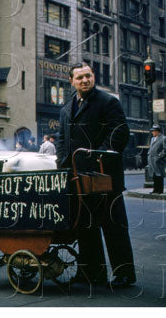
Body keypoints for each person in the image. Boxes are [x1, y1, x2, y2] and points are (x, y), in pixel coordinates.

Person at [57, 62, 136, 288]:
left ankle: (124, 274)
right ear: (71, 81)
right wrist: (63, 162)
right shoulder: (66, 108)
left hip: (105, 178)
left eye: (88, 76)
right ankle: (92, 273)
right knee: (85, 227)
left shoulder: (108, 102)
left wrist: (97, 157)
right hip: (77, 178)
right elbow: (62, 138)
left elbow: (119, 133)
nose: (84, 80)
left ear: (94, 77)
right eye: (79, 77)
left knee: (114, 227)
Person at [147, 125, 166, 194]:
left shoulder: (164, 138)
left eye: (153, 131)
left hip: (158, 161)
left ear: (157, 131)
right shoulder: (152, 139)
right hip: (151, 160)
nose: (152, 133)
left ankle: (160, 190)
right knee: (154, 175)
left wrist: (159, 156)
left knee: (159, 175)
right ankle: (155, 190)